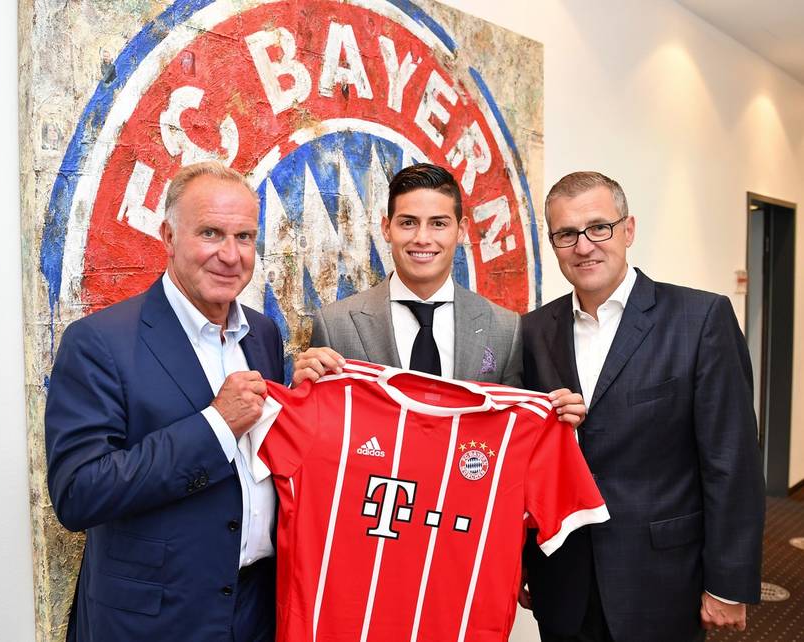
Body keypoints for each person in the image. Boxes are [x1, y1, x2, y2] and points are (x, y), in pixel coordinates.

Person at [521, 171, 765, 642]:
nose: (584, 246)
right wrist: (520, 561)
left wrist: (729, 582)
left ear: (628, 229)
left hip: (663, 582)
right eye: (566, 234)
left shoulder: (700, 319)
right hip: (563, 581)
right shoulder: (533, 331)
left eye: (599, 227)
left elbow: (732, 462)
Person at [45, 161, 283, 641]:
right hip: (153, 622)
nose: (230, 255)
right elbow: (79, 493)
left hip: (256, 612)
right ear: (169, 237)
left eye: (244, 237)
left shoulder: (263, 334)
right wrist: (215, 426)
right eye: (211, 233)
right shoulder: (98, 342)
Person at [293, 163, 585, 426]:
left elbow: (512, 429)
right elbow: (313, 426)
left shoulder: (504, 329)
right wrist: (300, 390)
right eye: (408, 222)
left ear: (461, 230)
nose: (422, 238)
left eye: (438, 223)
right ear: (386, 228)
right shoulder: (335, 325)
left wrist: (554, 418)